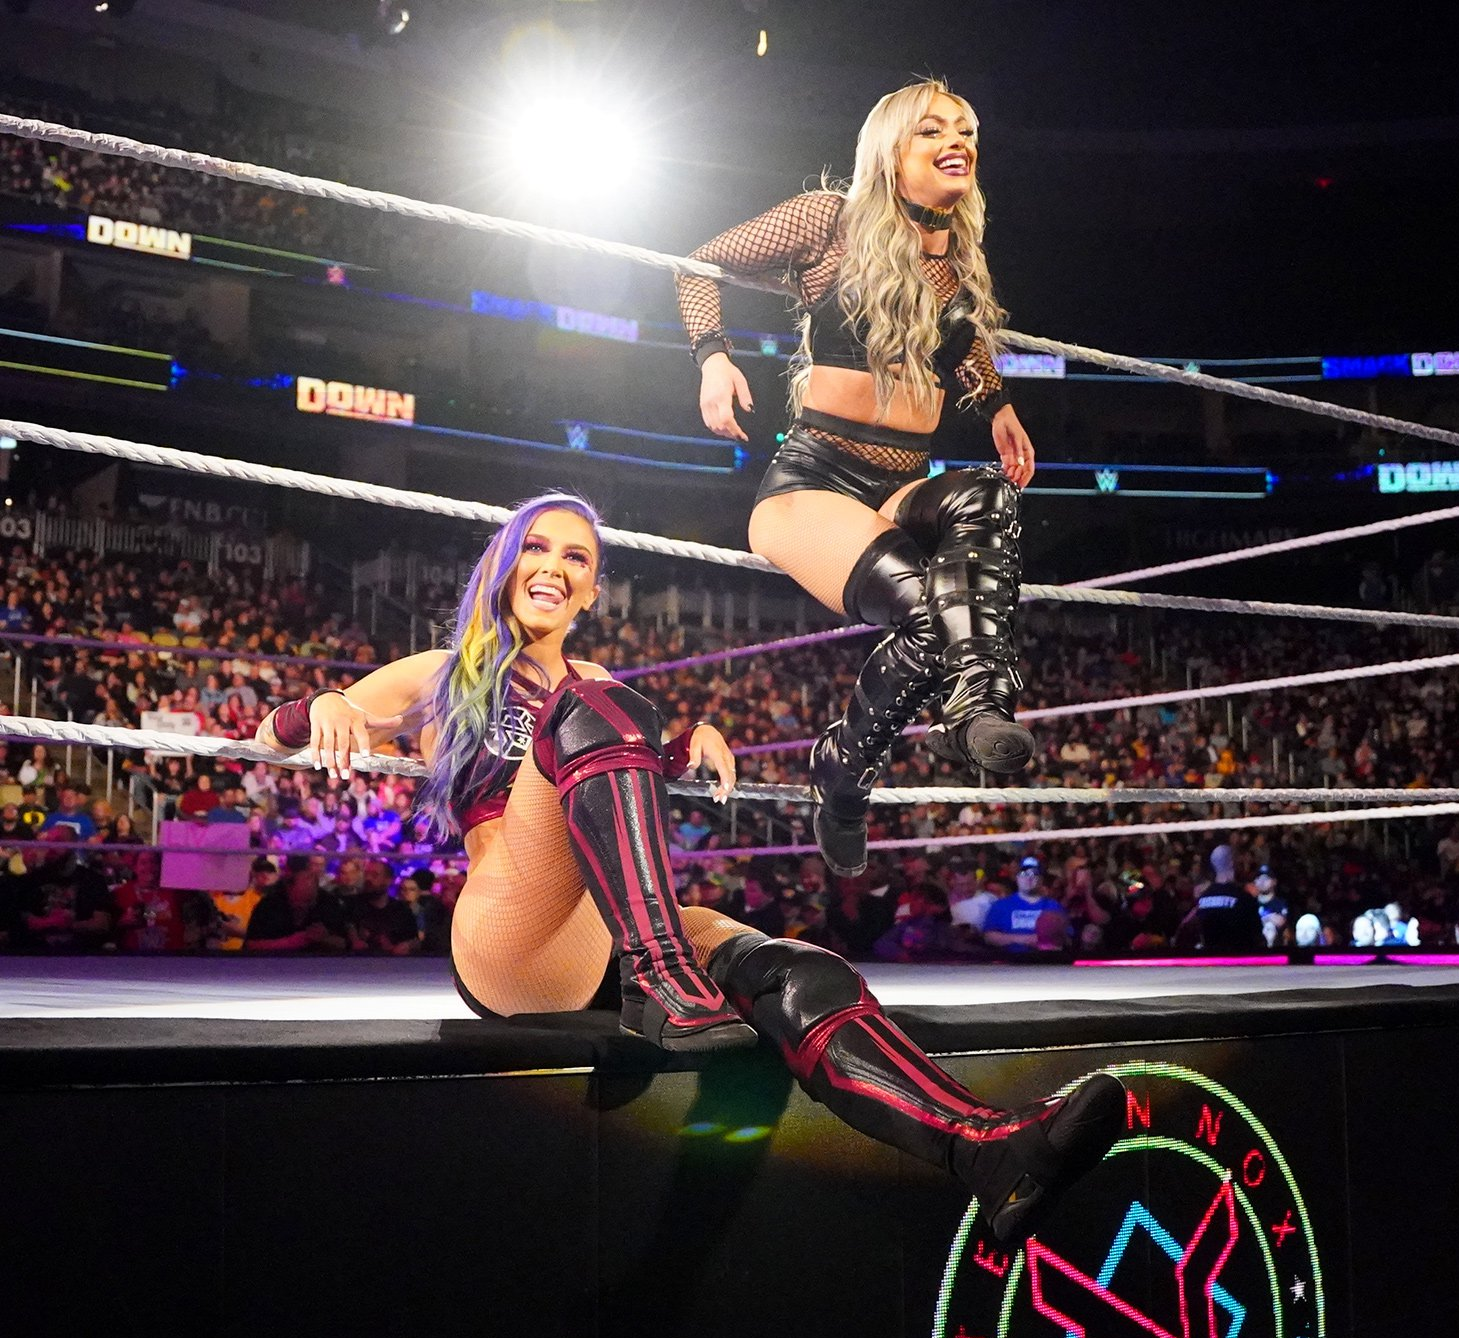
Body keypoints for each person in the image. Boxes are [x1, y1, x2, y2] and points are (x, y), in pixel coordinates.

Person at [255, 495, 1119, 1245]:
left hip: (604, 937)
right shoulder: (444, 674)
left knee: (799, 971)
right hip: (512, 938)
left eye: (577, 557)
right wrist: (320, 705)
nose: (554, 567)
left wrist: (679, 747)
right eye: (536, 547)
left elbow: (607, 782)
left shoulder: (595, 685)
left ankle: (985, 1148)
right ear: (503, 565)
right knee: (591, 703)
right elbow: (270, 736)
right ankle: (663, 975)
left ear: (593, 590)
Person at [680, 78, 1037, 875]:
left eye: (967, 129)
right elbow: (698, 263)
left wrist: (998, 406)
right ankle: (844, 773)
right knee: (930, 611)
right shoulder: (830, 221)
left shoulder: (949, 257)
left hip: (903, 482)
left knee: (987, 494)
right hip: (815, 480)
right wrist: (712, 358)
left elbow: (960, 345)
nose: (958, 141)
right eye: (933, 129)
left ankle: (975, 705)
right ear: (891, 149)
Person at [1185, 845, 1265, 955]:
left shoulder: (1203, 898)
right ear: (1232, 862)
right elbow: (1256, 933)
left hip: (1210, 958)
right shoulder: (1243, 897)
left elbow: (1190, 929)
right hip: (1238, 957)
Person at [983, 857, 1067, 955]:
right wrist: (1023, 939)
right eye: (1024, 874)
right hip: (1010, 960)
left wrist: (1047, 942)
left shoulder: (1053, 906)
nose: (1029, 878)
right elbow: (989, 937)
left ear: (1041, 880)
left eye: (1034, 874)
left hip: (1045, 960)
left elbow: (1066, 937)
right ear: (1017, 877)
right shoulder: (1000, 906)